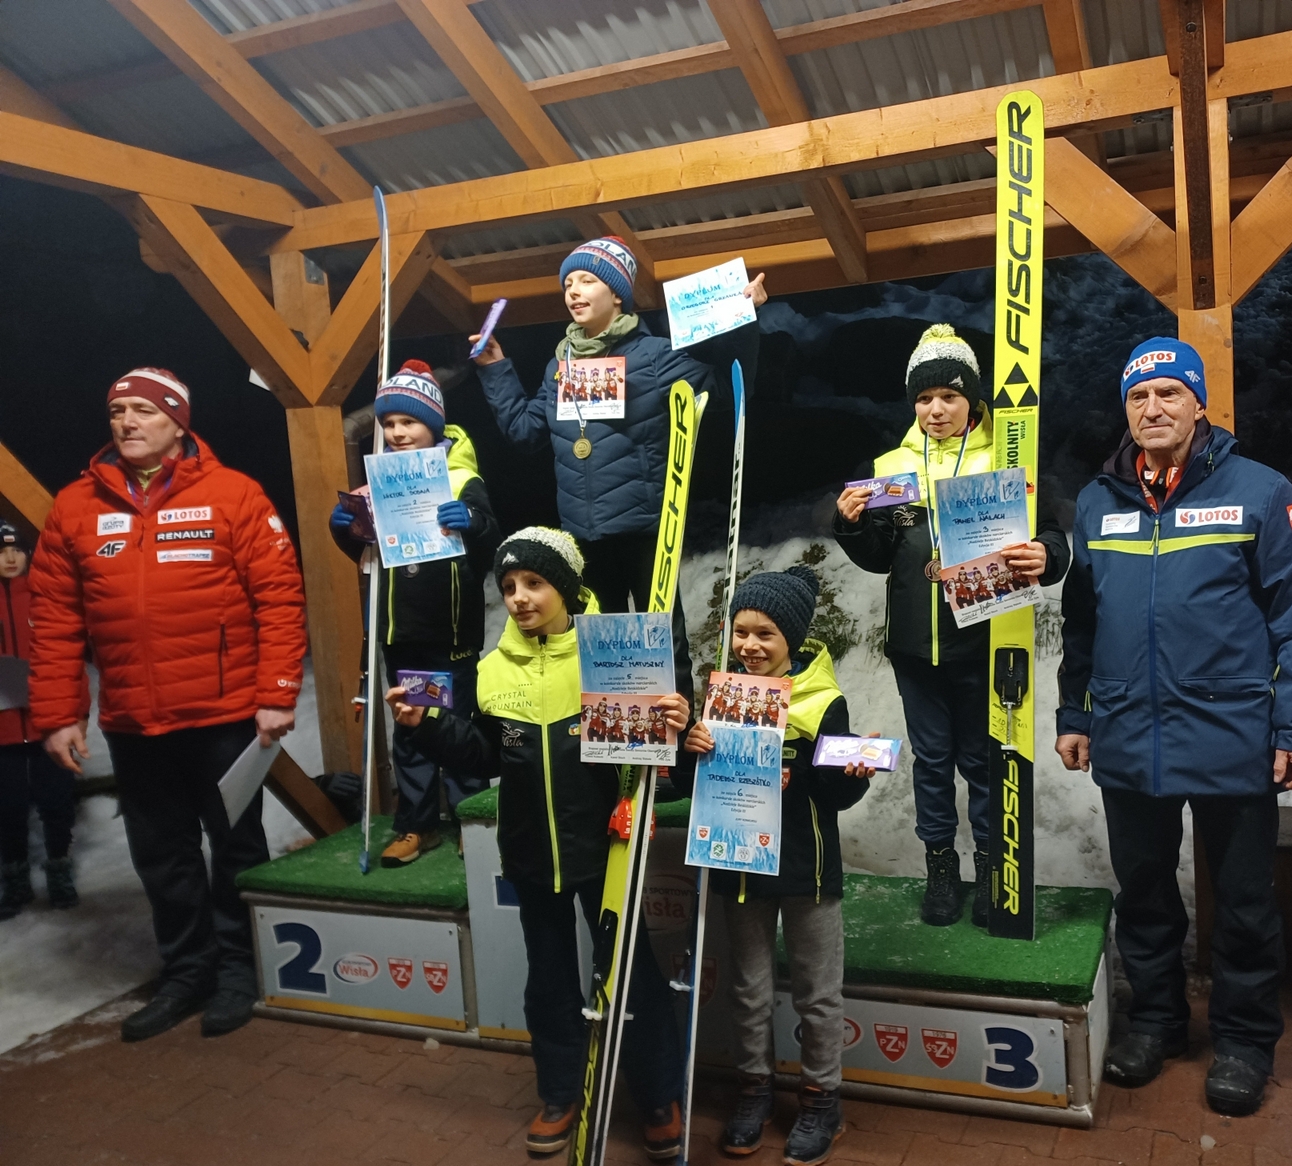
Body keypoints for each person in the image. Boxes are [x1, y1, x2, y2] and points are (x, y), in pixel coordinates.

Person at [1055, 337, 1292, 1116]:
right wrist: (1076, 713)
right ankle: (1158, 1022)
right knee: (1144, 892)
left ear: (1198, 403)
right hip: (1127, 732)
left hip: (1230, 732)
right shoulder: (1099, 501)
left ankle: (1244, 1041)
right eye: (1138, 397)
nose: (1153, 408)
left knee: (1242, 901)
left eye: (1169, 393)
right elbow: (1082, 623)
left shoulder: (1258, 491)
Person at [386, 527, 689, 1161]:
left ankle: (658, 1096)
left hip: (606, 848)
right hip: (530, 852)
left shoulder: (612, 654)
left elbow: (653, 759)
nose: (520, 597)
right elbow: (485, 754)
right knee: (548, 982)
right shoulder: (493, 668)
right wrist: (428, 723)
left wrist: (671, 727)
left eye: (535, 583)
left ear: (567, 589)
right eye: (509, 587)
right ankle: (559, 1094)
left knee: (630, 974)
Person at [28, 367, 306, 1042]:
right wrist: (59, 714)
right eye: (117, 410)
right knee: (162, 856)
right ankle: (187, 972)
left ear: (178, 422)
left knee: (237, 848)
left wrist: (276, 694)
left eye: (144, 410)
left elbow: (279, 598)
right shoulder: (75, 507)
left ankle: (241, 970)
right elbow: (55, 620)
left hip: (225, 717)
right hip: (134, 719)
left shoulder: (233, 494)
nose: (127, 422)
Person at [833, 324, 1069, 927]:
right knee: (932, 762)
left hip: (986, 643)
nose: (935, 409)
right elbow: (879, 557)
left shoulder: (1007, 456)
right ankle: (941, 869)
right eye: (923, 398)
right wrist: (852, 525)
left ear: (973, 400)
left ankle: (993, 869)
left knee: (985, 762)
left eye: (949, 396)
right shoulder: (891, 468)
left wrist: (1047, 554)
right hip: (915, 649)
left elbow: (1050, 537)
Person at [471, 237, 765, 707]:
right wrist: (496, 369)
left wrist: (743, 322)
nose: (573, 290)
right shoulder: (559, 367)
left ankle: (675, 743)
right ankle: (611, 746)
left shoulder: (655, 356)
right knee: (599, 655)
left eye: (587, 280)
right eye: (568, 283)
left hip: (646, 531)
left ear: (617, 294)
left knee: (661, 645)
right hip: (583, 537)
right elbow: (524, 432)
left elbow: (730, 391)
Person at [678, 565, 875, 1166]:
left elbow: (837, 797)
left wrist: (846, 776)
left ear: (791, 637)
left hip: (808, 871)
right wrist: (691, 750)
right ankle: (754, 1091)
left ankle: (821, 1100)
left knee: (818, 994)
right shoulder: (722, 698)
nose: (750, 645)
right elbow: (696, 786)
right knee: (750, 990)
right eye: (741, 632)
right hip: (741, 866)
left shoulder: (823, 700)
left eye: (765, 634)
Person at [329, 360, 500, 867]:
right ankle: (417, 824)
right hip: (400, 631)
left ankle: (470, 819)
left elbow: (491, 543)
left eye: (409, 421)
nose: (397, 432)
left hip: (449, 630)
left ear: (434, 423)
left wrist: (471, 520)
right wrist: (346, 528)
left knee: (455, 723)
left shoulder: (462, 477)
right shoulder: (378, 484)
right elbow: (369, 554)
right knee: (410, 726)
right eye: (388, 423)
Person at [0, 521, 84, 917]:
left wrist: (79, 712)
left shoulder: (45, 597)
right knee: (7, 806)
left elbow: (70, 658)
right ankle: (15, 878)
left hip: (48, 723)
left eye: (17, 550)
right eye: (2, 551)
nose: (11, 558)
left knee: (56, 801)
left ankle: (59, 872)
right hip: (3, 730)